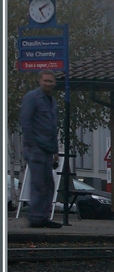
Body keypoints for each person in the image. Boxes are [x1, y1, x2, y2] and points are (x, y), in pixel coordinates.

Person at [19, 71, 61, 228]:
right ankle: (36, 218)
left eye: (51, 81)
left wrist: (55, 150)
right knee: (38, 184)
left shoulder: (52, 101)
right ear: (40, 81)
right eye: (46, 80)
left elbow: (52, 127)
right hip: (36, 148)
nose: (48, 83)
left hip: (47, 149)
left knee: (48, 184)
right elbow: (25, 121)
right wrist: (31, 144)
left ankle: (43, 217)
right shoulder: (32, 98)